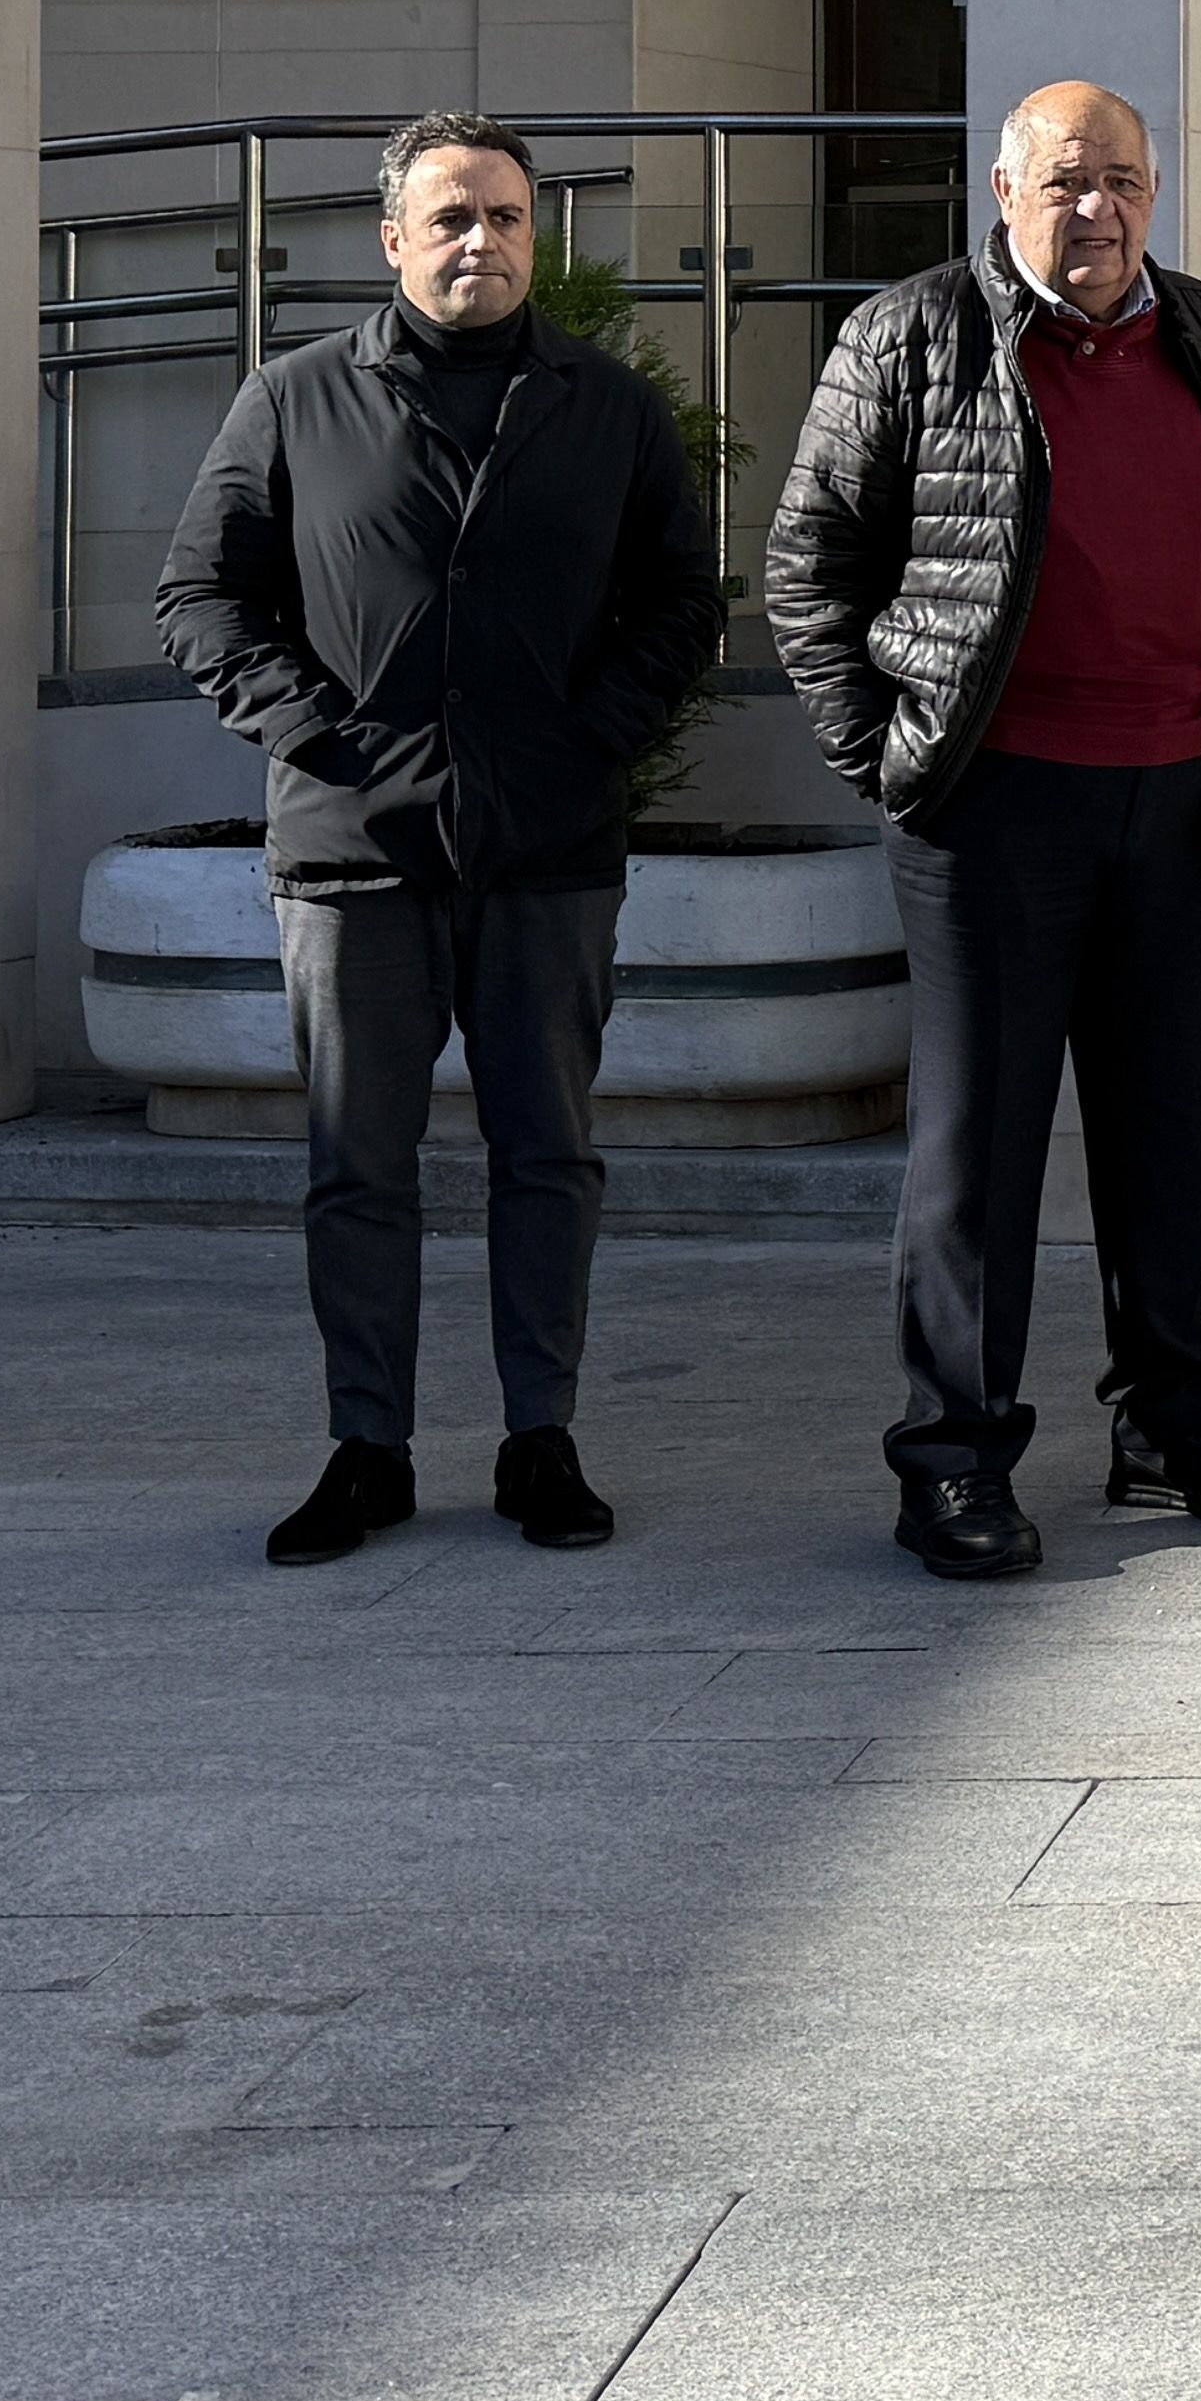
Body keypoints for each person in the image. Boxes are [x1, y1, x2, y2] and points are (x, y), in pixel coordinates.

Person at [759, 82, 1201, 1583]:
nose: (1100, 209)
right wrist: (891, 763)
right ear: (1002, 192)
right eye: (1067, 181)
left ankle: (1172, 1419)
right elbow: (806, 568)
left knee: (1169, 1138)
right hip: (994, 807)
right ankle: (953, 1456)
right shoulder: (911, 337)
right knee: (978, 1154)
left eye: (1125, 181)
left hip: (1187, 794)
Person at [158, 112, 731, 1568]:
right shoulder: (293, 402)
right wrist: (325, 738)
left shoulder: (603, 405)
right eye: (454, 217)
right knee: (361, 1164)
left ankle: (542, 1438)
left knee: (549, 1155)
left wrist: (586, 739)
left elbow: (683, 601)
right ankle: (369, 1448)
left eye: (508, 219)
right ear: (393, 239)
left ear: (536, 237)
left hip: (548, 847)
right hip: (354, 855)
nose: (483, 240)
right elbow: (202, 597)